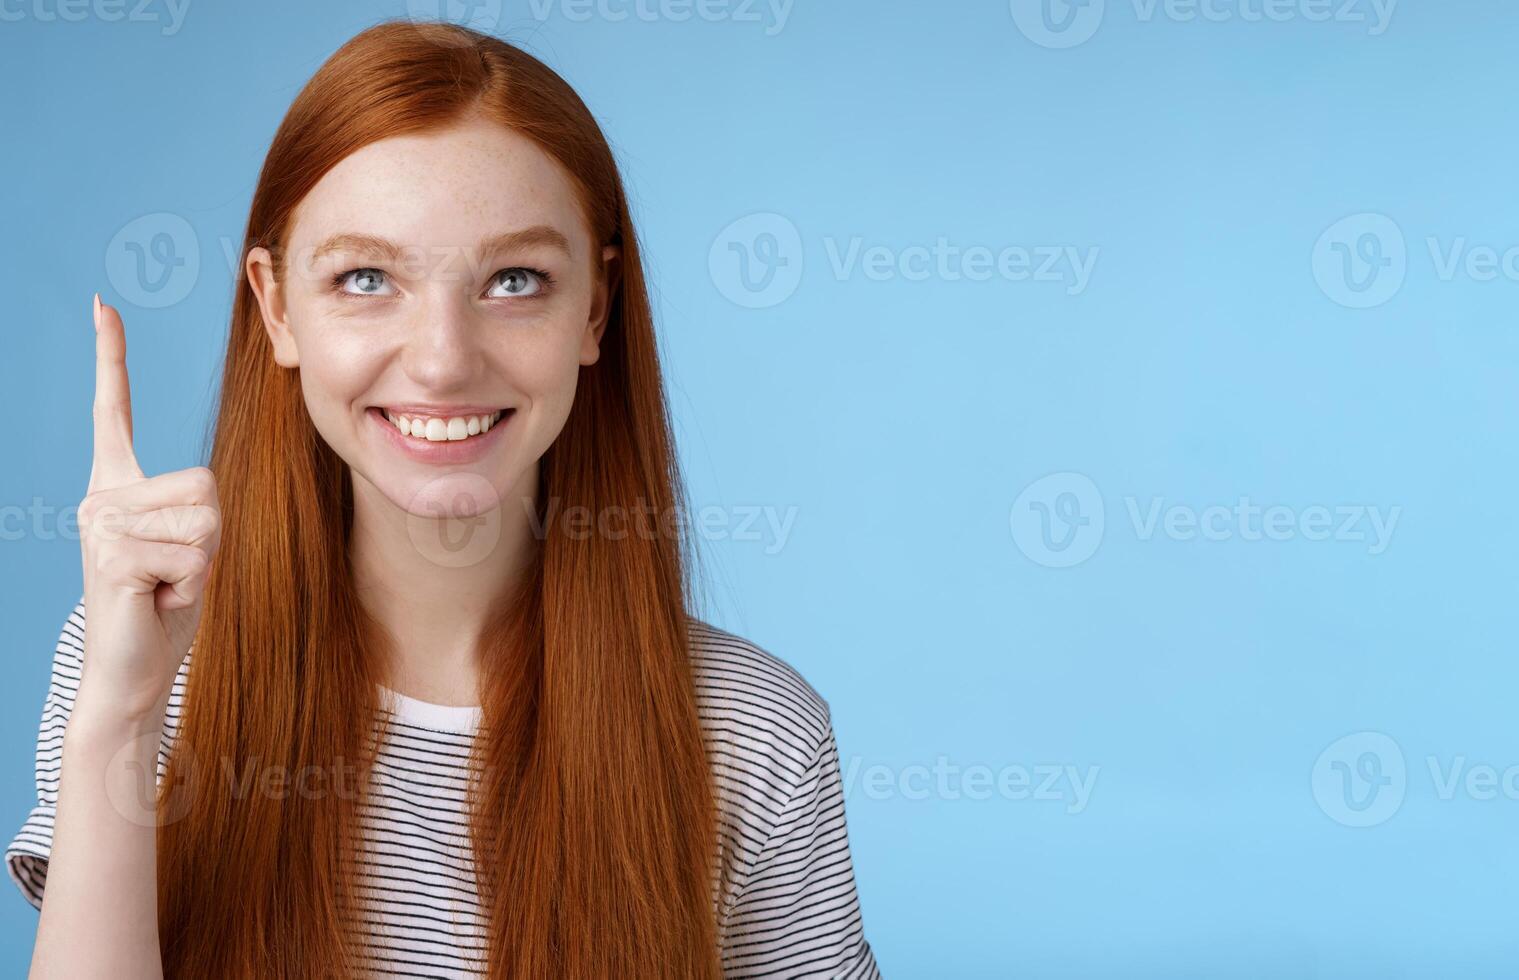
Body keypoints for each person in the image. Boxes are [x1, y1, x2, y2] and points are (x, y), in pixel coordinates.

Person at [7, 21, 880, 979]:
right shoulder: (137, 668)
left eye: (515, 280)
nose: (442, 359)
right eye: (365, 278)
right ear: (276, 308)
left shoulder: (755, 735)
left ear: (595, 308)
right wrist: (120, 718)